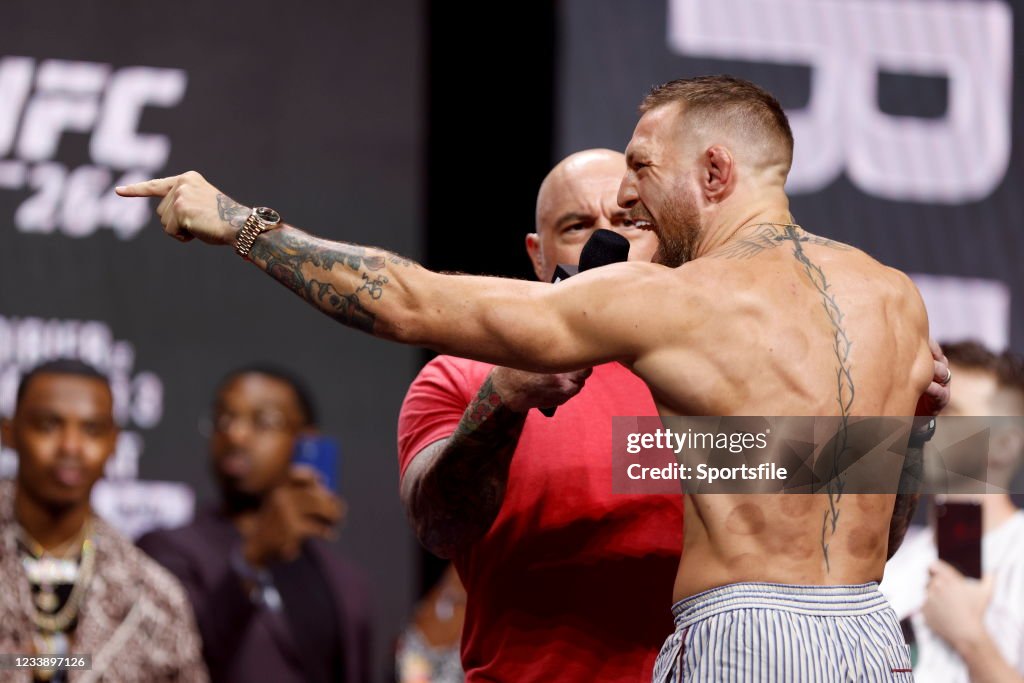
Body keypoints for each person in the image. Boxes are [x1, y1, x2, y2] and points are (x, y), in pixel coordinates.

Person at [118, 74, 945, 680]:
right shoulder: (893, 296)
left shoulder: (670, 301)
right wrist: (919, 432)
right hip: (867, 641)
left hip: (745, 641)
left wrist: (240, 223)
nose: (629, 196)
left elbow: (408, 300)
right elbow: (863, 521)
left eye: (641, 172)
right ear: (536, 244)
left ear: (716, 172)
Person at [397, 149, 684, 681]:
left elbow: (853, 501)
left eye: (628, 222)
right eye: (578, 226)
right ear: (538, 254)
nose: (611, 243)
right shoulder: (461, 374)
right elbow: (438, 528)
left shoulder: (718, 376)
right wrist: (501, 400)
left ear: (665, 236)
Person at [137, 365, 372, 683]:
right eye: (223, 419)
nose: (236, 434)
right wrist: (252, 558)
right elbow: (171, 660)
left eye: (263, 421)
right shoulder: (167, 552)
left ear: (306, 442)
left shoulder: (343, 579)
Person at [0, 359, 207, 682]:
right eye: (48, 425)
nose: (71, 446)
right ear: (9, 433)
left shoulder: (152, 596)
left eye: (92, 429)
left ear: (113, 442)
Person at [882, 341, 1024, 682]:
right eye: (923, 411)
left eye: (948, 414)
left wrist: (969, 638)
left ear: (1004, 445)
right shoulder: (891, 563)